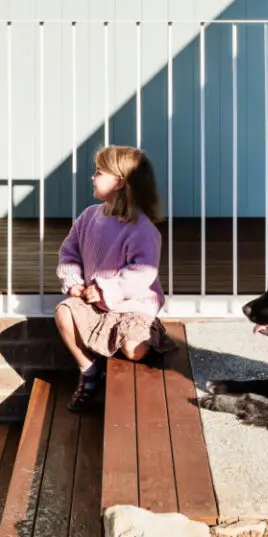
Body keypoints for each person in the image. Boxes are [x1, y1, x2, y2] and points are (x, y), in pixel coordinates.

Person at [55, 144, 171, 413]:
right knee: (63, 313)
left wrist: (105, 289)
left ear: (119, 182)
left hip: (132, 305)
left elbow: (142, 273)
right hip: (95, 304)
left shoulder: (142, 229)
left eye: (98, 172)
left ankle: (148, 332)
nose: (92, 177)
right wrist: (73, 282)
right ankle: (89, 370)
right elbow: (69, 252)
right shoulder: (88, 217)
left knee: (134, 350)